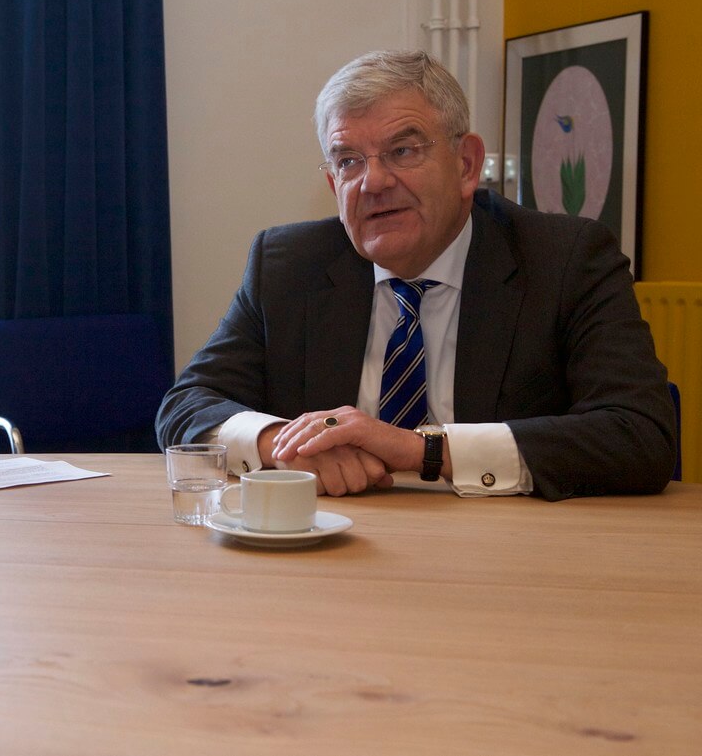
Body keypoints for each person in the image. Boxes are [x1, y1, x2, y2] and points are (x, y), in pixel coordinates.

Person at [156, 50, 676, 501]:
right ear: (332, 181)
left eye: (403, 151)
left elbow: (641, 435)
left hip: (509, 558)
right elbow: (185, 406)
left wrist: (423, 450)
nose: (373, 181)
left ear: (467, 164)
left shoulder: (564, 259)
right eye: (348, 161)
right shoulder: (288, 264)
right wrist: (282, 444)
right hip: (333, 553)